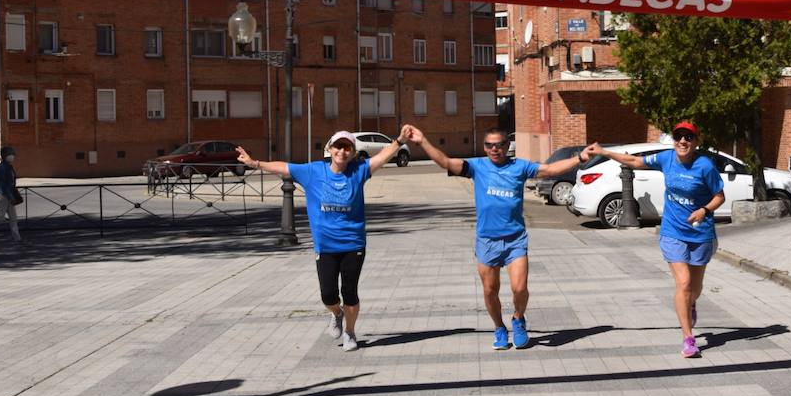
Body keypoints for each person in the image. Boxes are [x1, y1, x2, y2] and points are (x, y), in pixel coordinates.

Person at [402, 124, 592, 351]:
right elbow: (446, 162)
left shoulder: (519, 167)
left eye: (498, 145)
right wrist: (422, 140)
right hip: (487, 241)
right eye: (489, 145)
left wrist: (580, 158)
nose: (494, 149)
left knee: (519, 288)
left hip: (515, 240)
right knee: (489, 290)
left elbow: (550, 170)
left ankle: (518, 319)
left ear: (507, 146)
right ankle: (499, 327)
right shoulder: (477, 166)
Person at [236, 130, 403, 352]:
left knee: (350, 292)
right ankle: (337, 313)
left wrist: (400, 140)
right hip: (325, 246)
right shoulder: (313, 171)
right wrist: (254, 163)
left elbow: (383, 156)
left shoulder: (359, 171)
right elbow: (284, 167)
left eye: (347, 148)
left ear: (353, 153)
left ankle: (350, 332)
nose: (342, 151)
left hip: (353, 244)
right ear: (329, 148)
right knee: (328, 294)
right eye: (338, 146)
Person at [587, 122, 725, 358]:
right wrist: (605, 152)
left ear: (696, 141)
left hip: (700, 233)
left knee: (695, 288)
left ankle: (690, 303)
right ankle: (688, 338)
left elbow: (719, 197)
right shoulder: (666, 158)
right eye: (679, 136)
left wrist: (704, 210)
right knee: (683, 283)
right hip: (672, 231)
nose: (683, 141)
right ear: (674, 140)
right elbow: (635, 162)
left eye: (688, 137)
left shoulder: (704, 166)